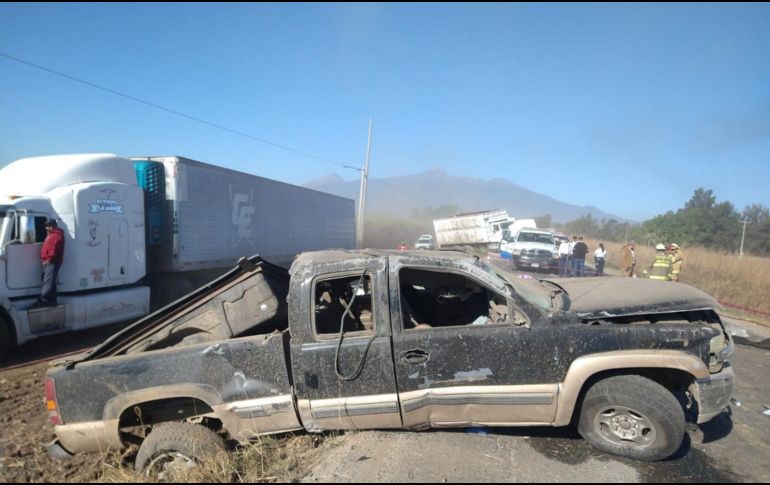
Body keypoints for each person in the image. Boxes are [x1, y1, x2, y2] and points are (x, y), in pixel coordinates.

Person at [38, 218, 65, 307]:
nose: (47, 228)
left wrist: (48, 260)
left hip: (52, 262)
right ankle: (52, 301)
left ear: (54, 226)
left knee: (48, 281)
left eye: (49, 226)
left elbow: (54, 250)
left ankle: (43, 299)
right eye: (46, 226)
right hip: (49, 261)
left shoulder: (56, 236)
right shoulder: (52, 235)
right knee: (51, 281)